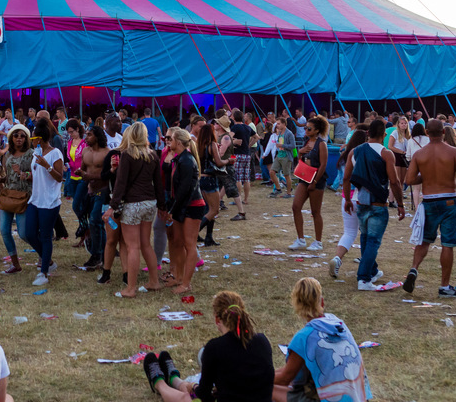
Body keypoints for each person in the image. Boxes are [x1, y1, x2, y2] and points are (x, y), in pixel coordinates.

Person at [142, 291, 273, 402]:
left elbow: (203, 395)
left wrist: (193, 387)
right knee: (190, 389)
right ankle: (175, 379)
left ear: (217, 319)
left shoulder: (215, 347)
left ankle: (159, 383)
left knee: (186, 398)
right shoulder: (262, 340)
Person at [402, 119, 456, 298]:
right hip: (449, 200)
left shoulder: (420, 154)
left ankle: (414, 269)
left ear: (427, 133)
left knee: (424, 241)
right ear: (443, 132)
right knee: (447, 244)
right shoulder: (453, 152)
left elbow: (409, 180)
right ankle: (444, 286)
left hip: (428, 200)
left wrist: (426, 176)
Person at [273, 277, 371, 402]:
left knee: (265, 387)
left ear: (296, 304)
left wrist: (257, 377)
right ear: (322, 302)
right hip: (360, 397)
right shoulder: (339, 325)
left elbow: (285, 378)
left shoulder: (304, 337)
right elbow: (292, 370)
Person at [342, 119, 404, 291]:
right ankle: (363, 278)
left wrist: (347, 199)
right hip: (378, 203)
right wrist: (400, 204)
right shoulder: (386, 154)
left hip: (360, 201)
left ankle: (373, 270)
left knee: (365, 237)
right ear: (384, 135)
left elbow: (346, 178)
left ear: (367, 133)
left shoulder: (354, 151)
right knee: (373, 241)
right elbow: (394, 181)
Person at [104, 122, 163, 297]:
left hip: (133, 204)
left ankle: (130, 288)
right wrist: (163, 206)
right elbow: (158, 183)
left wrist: (111, 208)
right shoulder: (153, 155)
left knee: (132, 247)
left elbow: (120, 185)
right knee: (146, 244)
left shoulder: (127, 156)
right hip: (149, 202)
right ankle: (154, 281)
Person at [23, 118, 64, 286]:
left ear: (39, 138)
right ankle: (49, 261)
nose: (31, 141)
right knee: (29, 233)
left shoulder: (55, 153)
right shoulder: (36, 153)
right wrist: (26, 175)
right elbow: (36, 175)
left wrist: (47, 165)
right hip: (35, 200)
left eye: (32, 138)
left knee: (46, 236)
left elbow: (59, 177)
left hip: (50, 201)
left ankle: (44, 272)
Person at [164, 127, 204, 294]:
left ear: (178, 142)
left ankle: (186, 283)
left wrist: (173, 209)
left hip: (192, 206)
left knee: (189, 244)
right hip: (183, 205)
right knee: (179, 242)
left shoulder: (187, 161)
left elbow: (185, 189)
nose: (168, 141)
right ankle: (179, 278)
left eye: (171, 139)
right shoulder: (179, 159)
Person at [328, 127, 368, 278]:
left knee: (349, 232)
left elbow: (342, 178)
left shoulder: (344, 156)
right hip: (362, 196)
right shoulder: (363, 155)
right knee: (367, 233)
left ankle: (337, 258)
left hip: (347, 196)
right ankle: (368, 264)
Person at [0, 124, 33, 274]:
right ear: (11, 137)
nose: (19, 138)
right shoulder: (7, 155)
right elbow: (9, 176)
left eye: (22, 135)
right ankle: (15, 264)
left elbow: (37, 174)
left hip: (24, 196)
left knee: (24, 233)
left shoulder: (31, 154)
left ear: (26, 138)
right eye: (16, 135)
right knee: (4, 230)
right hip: (9, 195)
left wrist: (25, 174)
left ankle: (45, 255)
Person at [289, 117, 329, 251]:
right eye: (305, 128)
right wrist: (299, 153)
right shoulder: (307, 142)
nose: (306, 130)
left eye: (309, 128)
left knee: (315, 211)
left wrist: (315, 181)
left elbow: (323, 165)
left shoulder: (321, 144)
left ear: (317, 130)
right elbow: (301, 161)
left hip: (317, 179)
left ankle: (318, 241)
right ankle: (300, 239)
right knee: (296, 206)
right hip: (304, 178)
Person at [78, 125, 109, 269]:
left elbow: (109, 175)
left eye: (89, 135)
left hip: (102, 191)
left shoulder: (107, 153)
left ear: (97, 136)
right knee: (96, 223)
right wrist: (81, 173)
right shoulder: (85, 151)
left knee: (95, 220)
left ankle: (97, 255)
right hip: (89, 190)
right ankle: (102, 254)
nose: (86, 137)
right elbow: (83, 169)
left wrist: (89, 176)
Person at [196, 124, 228, 247]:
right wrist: (228, 161)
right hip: (210, 180)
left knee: (209, 208)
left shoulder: (198, 145)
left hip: (201, 179)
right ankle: (194, 232)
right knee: (214, 210)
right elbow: (219, 163)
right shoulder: (212, 145)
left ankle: (209, 237)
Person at [230, 109, 254, 210]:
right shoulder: (247, 127)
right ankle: (246, 199)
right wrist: (248, 145)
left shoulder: (235, 127)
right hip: (247, 154)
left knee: (238, 178)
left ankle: (238, 198)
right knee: (246, 178)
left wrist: (233, 142)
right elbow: (256, 137)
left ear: (234, 118)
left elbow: (229, 137)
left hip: (237, 154)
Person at [268, 120, 296, 198]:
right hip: (279, 155)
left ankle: (289, 193)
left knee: (287, 175)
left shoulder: (289, 133)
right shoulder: (280, 133)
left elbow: (293, 146)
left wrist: (282, 145)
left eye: (279, 124)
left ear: (284, 124)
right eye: (277, 124)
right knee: (272, 172)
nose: (277, 125)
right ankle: (278, 188)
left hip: (286, 156)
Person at [405, 122, 429, 210]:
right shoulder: (427, 139)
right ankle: (427, 206)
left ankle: (416, 207)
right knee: (427, 187)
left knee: (416, 189)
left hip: (415, 165)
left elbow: (408, 156)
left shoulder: (410, 141)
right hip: (427, 164)